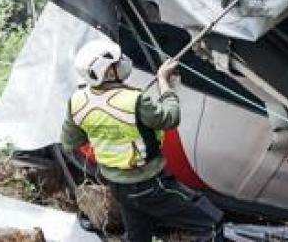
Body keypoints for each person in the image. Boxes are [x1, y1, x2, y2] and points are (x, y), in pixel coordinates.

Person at [62, 42, 224, 242]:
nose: (123, 62)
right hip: (150, 184)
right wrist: (164, 83)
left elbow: (70, 141)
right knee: (211, 224)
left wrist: (103, 129)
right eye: (117, 61)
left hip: (118, 186)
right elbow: (170, 118)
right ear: (109, 72)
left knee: (139, 237)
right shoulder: (135, 100)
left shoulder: (76, 102)